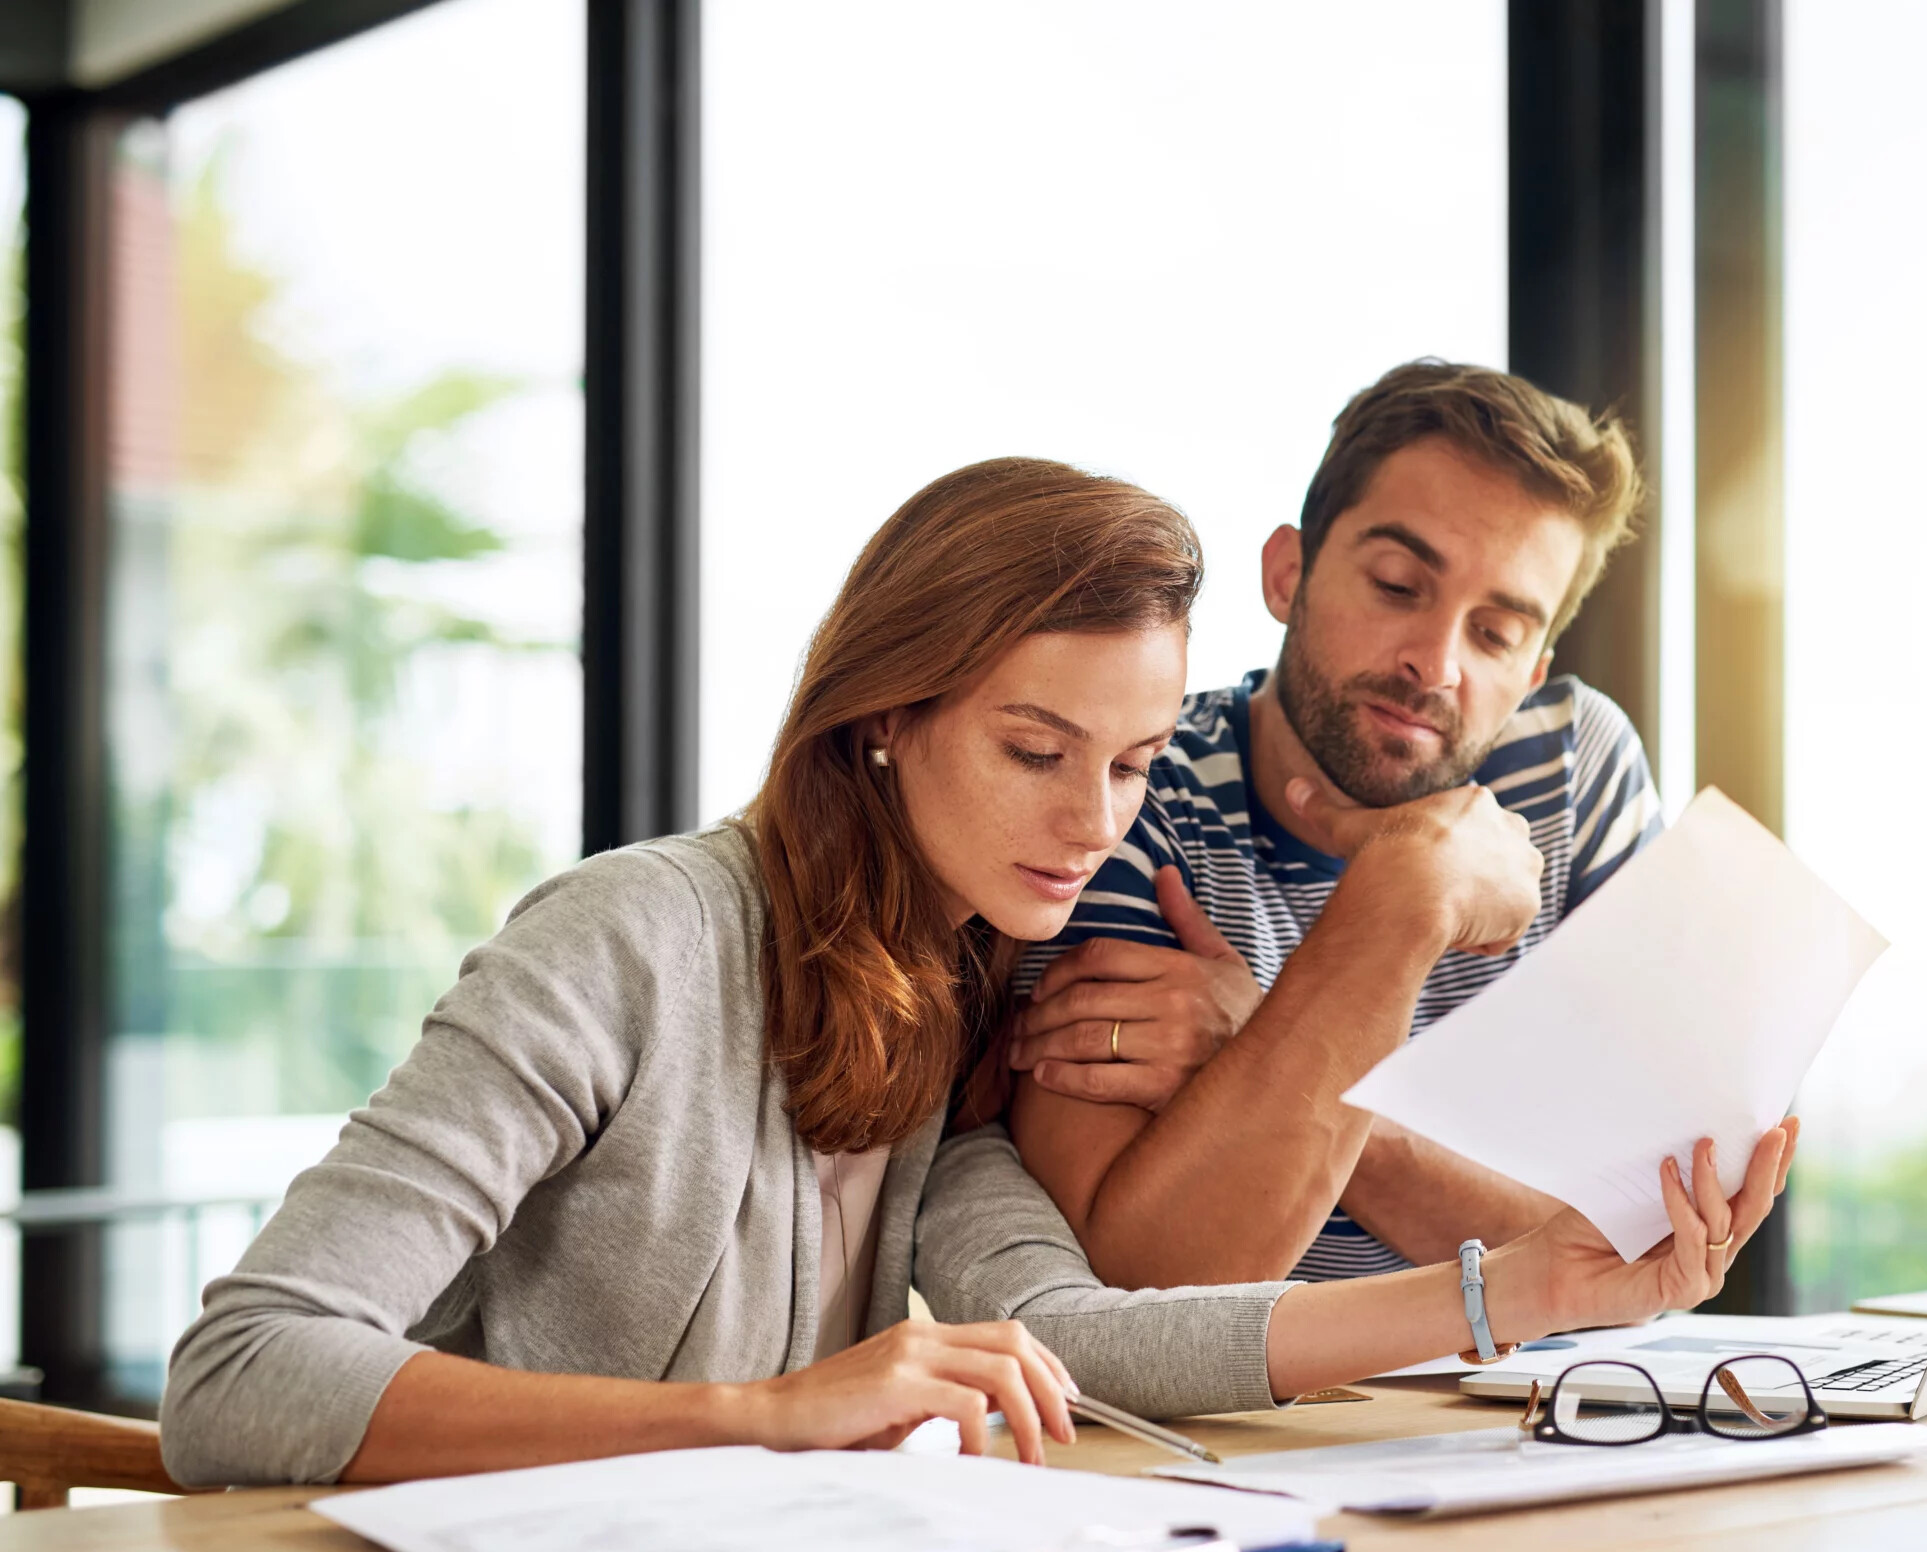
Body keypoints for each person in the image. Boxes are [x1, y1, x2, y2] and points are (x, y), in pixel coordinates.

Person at [160, 456, 1794, 1490]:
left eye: (1135, 763)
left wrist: (1523, 1294)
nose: (1092, 821)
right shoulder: (628, 937)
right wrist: (767, 1412)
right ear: (888, 711)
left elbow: (1080, 1333)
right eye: (1033, 748)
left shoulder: (957, 997)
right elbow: (242, 1371)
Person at [1006, 361, 1740, 1291]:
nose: (1436, 663)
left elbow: (1648, 1243)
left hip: (1545, 1383)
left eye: (1495, 634)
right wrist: (1409, 892)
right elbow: (1141, 1288)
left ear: (1533, 669)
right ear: (1289, 574)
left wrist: (1255, 1045)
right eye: (1398, 585)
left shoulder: (1571, 771)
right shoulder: (1133, 789)